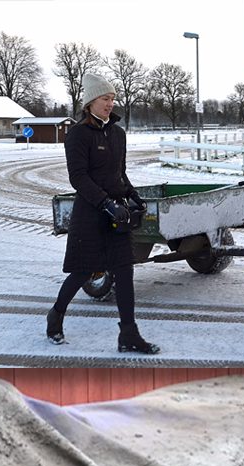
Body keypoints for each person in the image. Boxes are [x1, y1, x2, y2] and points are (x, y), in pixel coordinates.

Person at [46, 71, 159, 354]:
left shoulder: (117, 133)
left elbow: (119, 173)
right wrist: (105, 203)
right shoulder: (78, 135)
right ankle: (56, 315)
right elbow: (79, 178)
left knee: (124, 271)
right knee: (83, 271)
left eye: (112, 99)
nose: (110, 104)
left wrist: (132, 195)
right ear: (90, 102)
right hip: (91, 213)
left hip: (117, 215)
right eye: (105, 99)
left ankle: (129, 335)